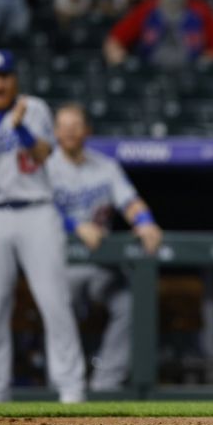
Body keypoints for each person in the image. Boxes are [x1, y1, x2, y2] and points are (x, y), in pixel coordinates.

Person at [0, 49, 85, 403]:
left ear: (15, 79)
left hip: (36, 211)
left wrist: (20, 127)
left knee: (54, 301)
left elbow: (43, 154)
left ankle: (70, 387)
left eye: (5, 76)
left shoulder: (33, 108)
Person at [47, 103, 163, 391]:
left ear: (87, 130)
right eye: (64, 126)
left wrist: (145, 222)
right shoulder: (44, 168)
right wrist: (76, 226)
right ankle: (63, 384)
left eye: (76, 126)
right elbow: (40, 210)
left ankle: (106, 383)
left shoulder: (105, 167)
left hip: (101, 264)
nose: (70, 132)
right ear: (55, 132)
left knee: (131, 302)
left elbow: (130, 202)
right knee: (57, 307)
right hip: (61, 263)